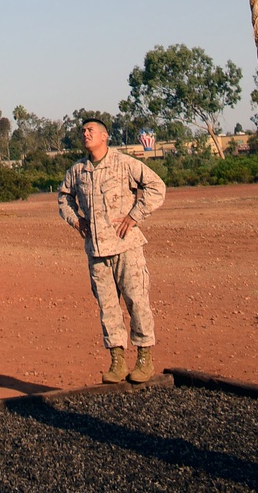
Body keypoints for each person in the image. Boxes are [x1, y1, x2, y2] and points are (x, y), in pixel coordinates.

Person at [58, 118, 167, 384]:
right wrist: (76, 220)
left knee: (137, 301)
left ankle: (144, 358)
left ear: (105, 136)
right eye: (83, 131)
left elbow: (156, 187)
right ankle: (117, 360)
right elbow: (63, 198)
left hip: (126, 246)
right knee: (108, 308)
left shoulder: (124, 163)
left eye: (90, 131)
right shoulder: (78, 171)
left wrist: (135, 215)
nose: (85, 134)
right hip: (96, 250)